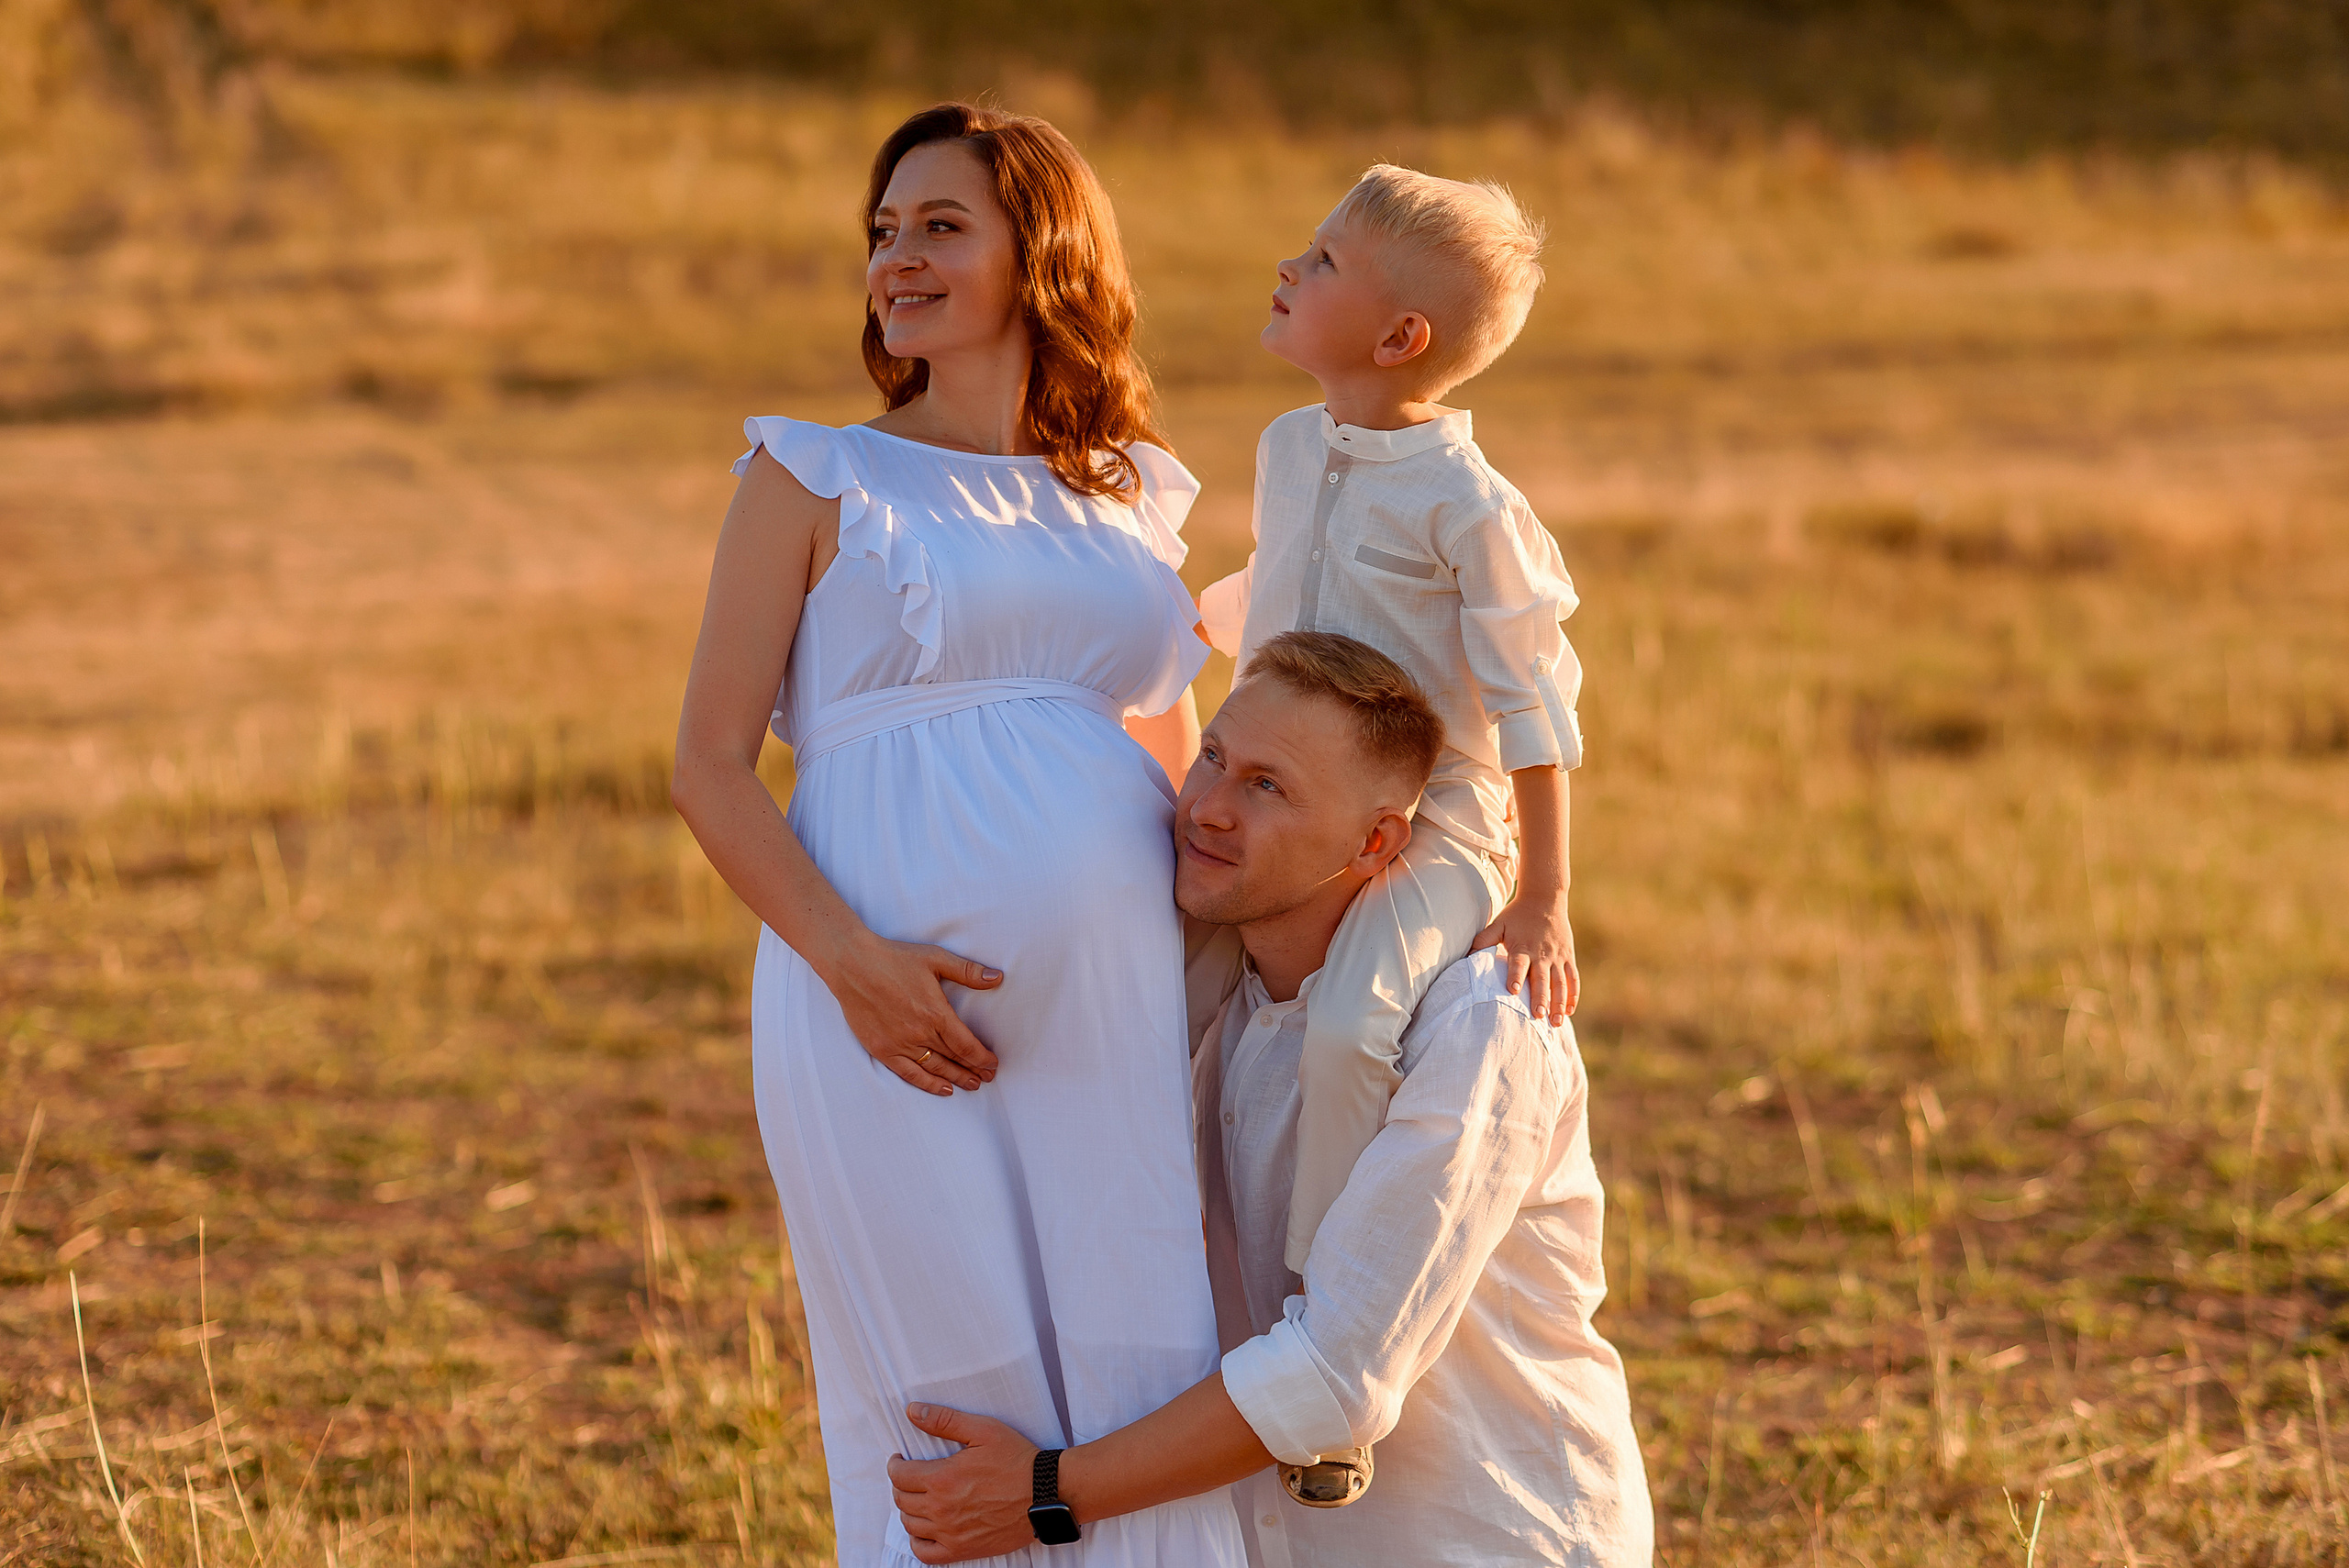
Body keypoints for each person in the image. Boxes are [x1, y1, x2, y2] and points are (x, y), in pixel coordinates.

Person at [670, 102, 1246, 1566]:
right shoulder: (811, 479)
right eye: (882, 232)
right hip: (886, 1016)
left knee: (1133, 1364)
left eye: (940, 226)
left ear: (1040, 252)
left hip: (1115, 1019)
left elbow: (1169, 760)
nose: (897, 259)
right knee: (949, 1399)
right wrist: (857, 965)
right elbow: (708, 770)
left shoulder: (1125, 496)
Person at [888, 632, 1653, 1568]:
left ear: (1375, 842)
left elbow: (1336, 1375)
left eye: (1268, 786)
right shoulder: (1217, 1001)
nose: (1206, 807)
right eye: (1212, 756)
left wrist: (1047, 1492)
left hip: (1493, 1534)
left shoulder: (1480, 1023)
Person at [1194, 162, 1587, 1500]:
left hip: (1437, 817)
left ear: (1399, 337)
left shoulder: (1472, 508)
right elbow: (1269, 611)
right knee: (1174, 974)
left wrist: (1539, 900)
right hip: (1291, 780)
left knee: (1360, 1013)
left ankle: (1324, 1337)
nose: (1287, 272)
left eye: (1320, 262)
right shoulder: (1285, 447)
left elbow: (1533, 717)